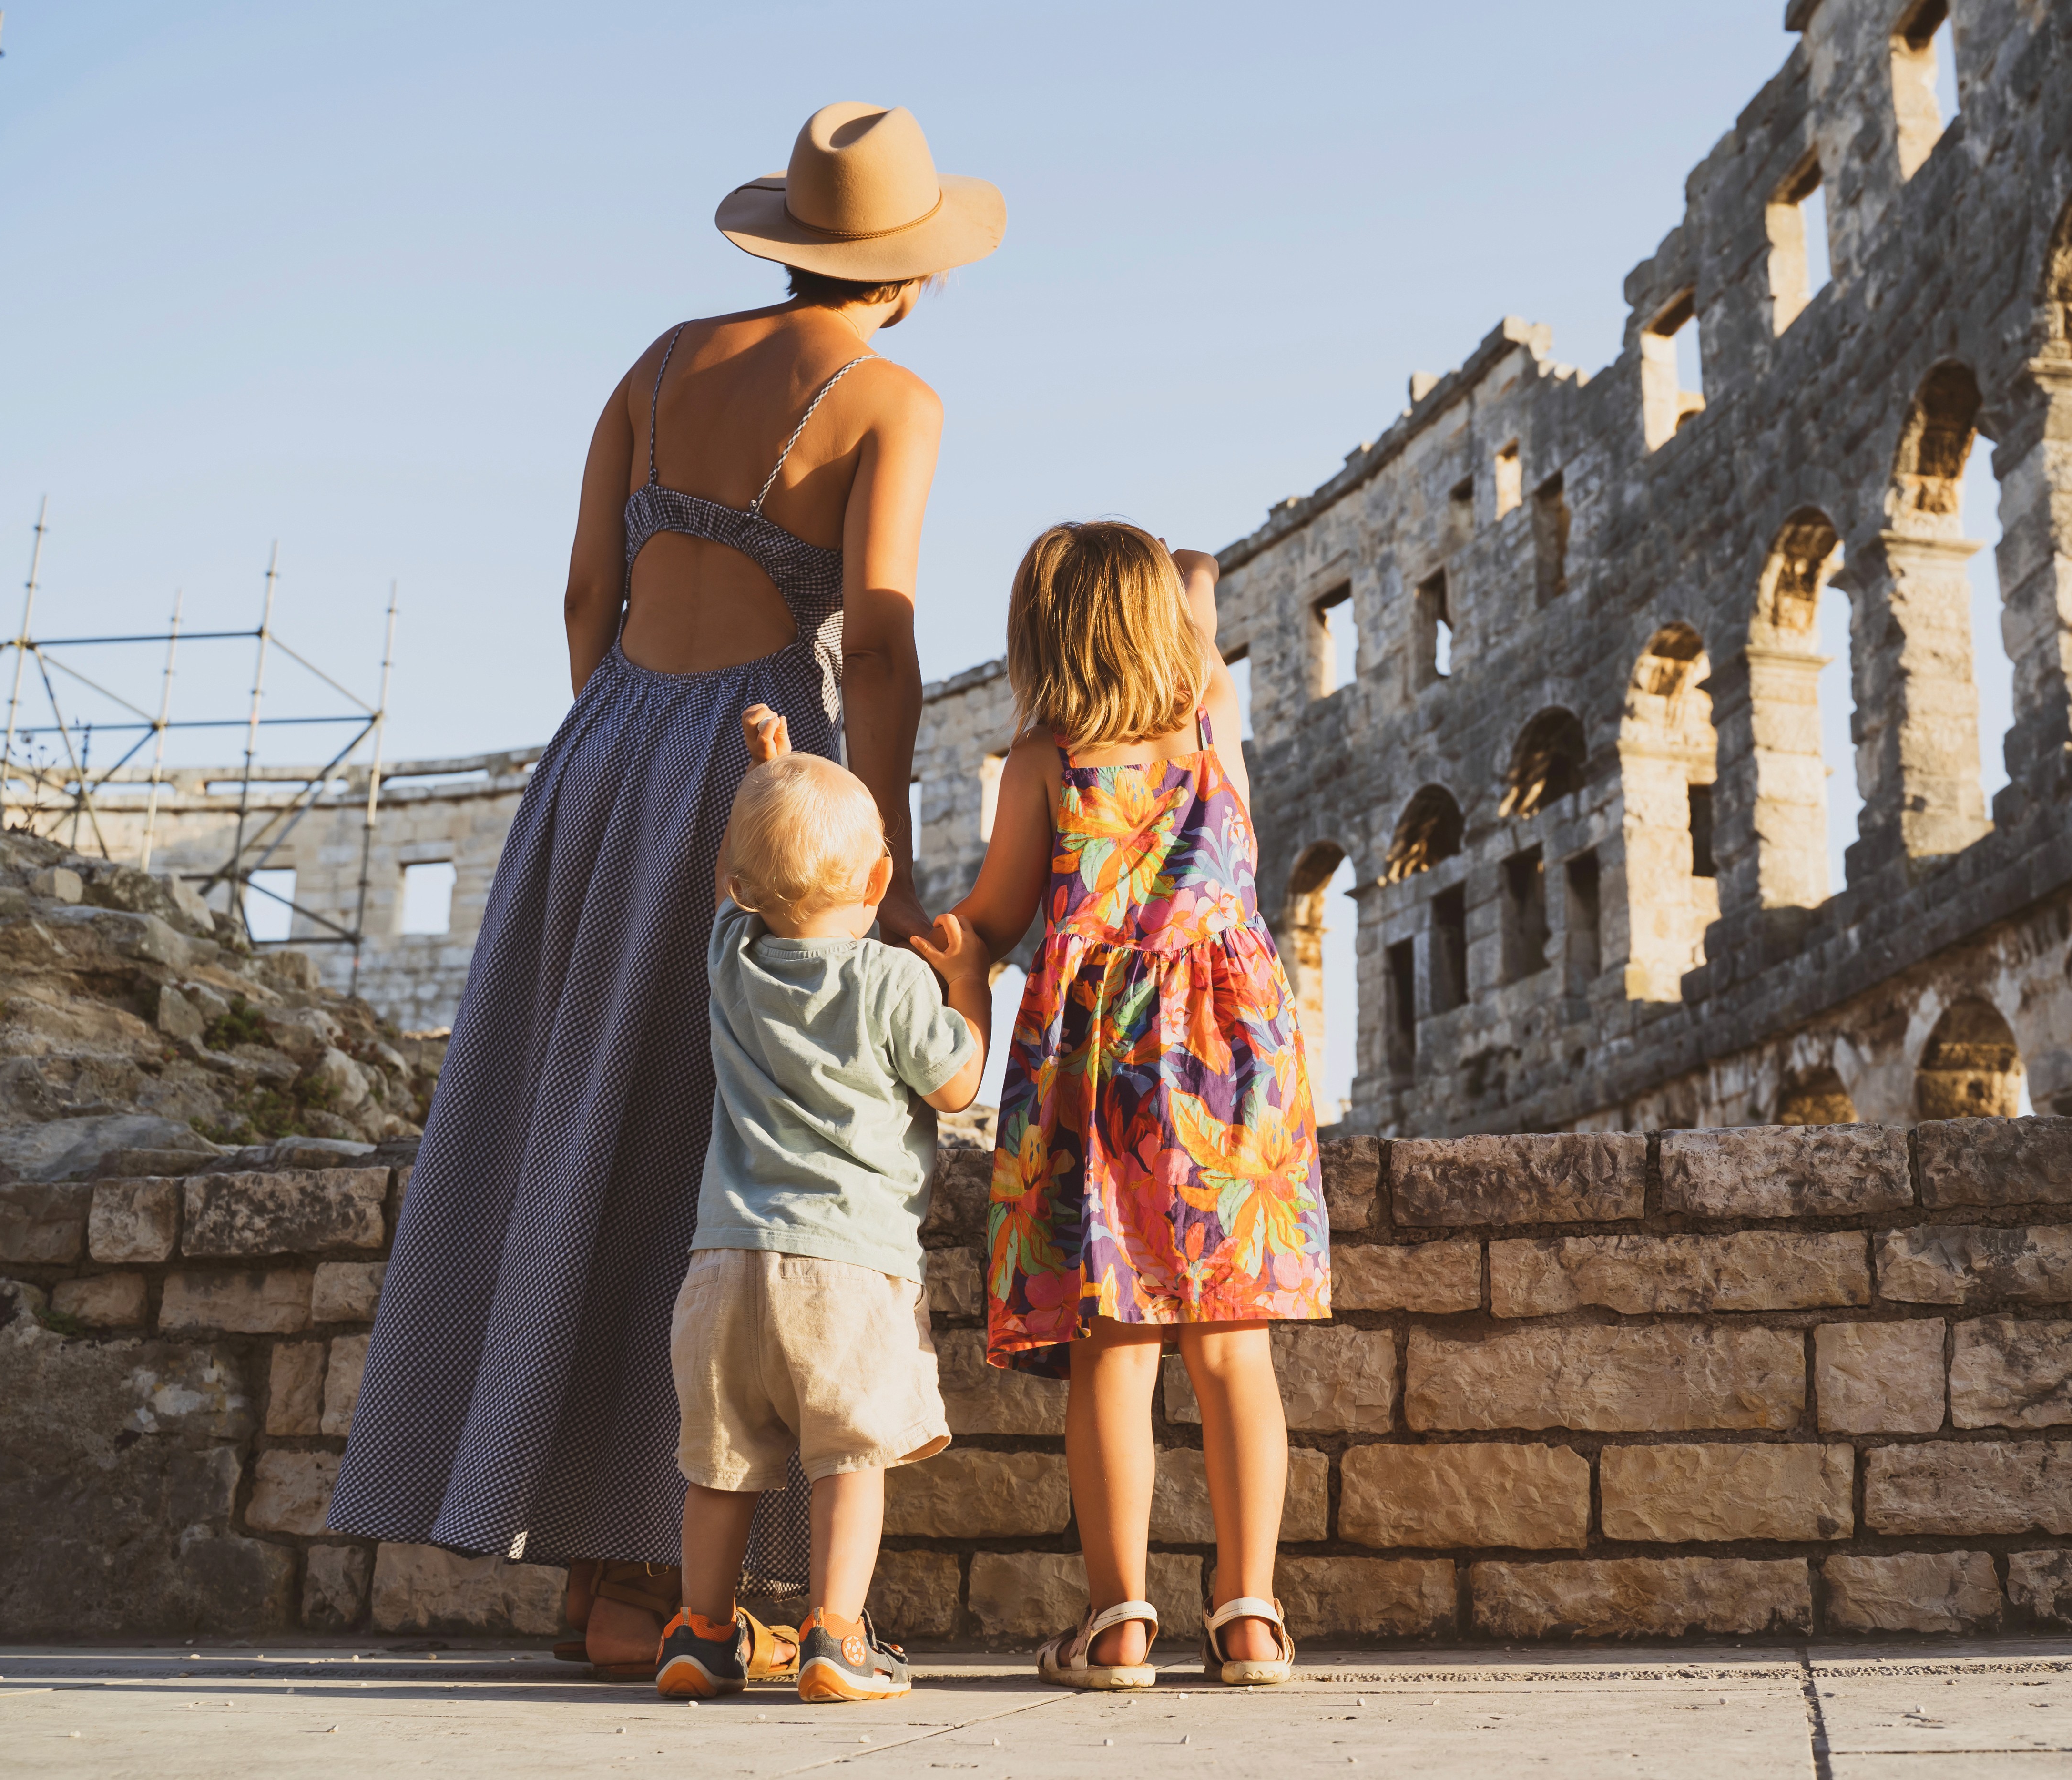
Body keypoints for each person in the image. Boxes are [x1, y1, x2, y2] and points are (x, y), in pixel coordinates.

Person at [327, 102, 1004, 1677]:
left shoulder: (656, 365)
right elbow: (882, 641)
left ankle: (589, 1561)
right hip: (754, 764)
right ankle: (639, 1584)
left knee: (568, 1129)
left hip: (606, 745)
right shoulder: (892, 399)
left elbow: (586, 588)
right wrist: (885, 846)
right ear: (908, 272)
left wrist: (615, 747)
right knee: (699, 1151)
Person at [949, 522, 1330, 1689]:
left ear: (1046, 635)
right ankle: (1250, 1614)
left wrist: (943, 946)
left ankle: (1118, 1621)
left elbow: (994, 918)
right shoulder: (1210, 714)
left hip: (1101, 1063)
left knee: (1113, 1352)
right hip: (1233, 1059)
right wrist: (1187, 583)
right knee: (1232, 1347)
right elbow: (1197, 615)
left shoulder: (1045, 760)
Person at [656, 704, 988, 1703]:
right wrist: (968, 985)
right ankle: (834, 1637)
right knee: (849, 1455)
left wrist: (767, 774)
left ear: (743, 889)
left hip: (722, 1267)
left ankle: (700, 1631)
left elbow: (734, 883)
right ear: (879, 881)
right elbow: (957, 1087)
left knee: (720, 1465)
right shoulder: (893, 981)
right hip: (846, 1270)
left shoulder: (732, 963)